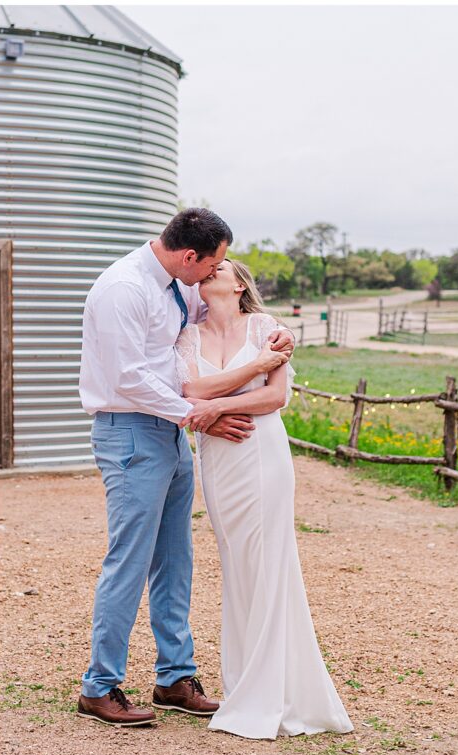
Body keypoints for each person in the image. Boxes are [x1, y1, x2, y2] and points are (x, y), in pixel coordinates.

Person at [77, 208, 295, 726]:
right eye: (214, 264)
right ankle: (99, 686)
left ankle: (174, 677)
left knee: (176, 560)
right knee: (129, 559)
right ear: (190, 256)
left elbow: (237, 314)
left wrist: (282, 335)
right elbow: (127, 377)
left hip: (171, 433)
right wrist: (201, 416)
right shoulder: (122, 289)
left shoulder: (179, 284)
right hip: (130, 430)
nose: (214, 275)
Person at [174, 259, 354, 739]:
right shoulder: (188, 336)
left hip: (263, 451)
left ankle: (276, 692)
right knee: (236, 564)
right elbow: (189, 388)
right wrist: (251, 370)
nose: (213, 272)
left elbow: (276, 399)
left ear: (240, 285)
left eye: (223, 268)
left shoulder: (268, 328)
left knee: (271, 562)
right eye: (207, 268)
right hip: (218, 458)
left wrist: (217, 405)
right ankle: (243, 685)